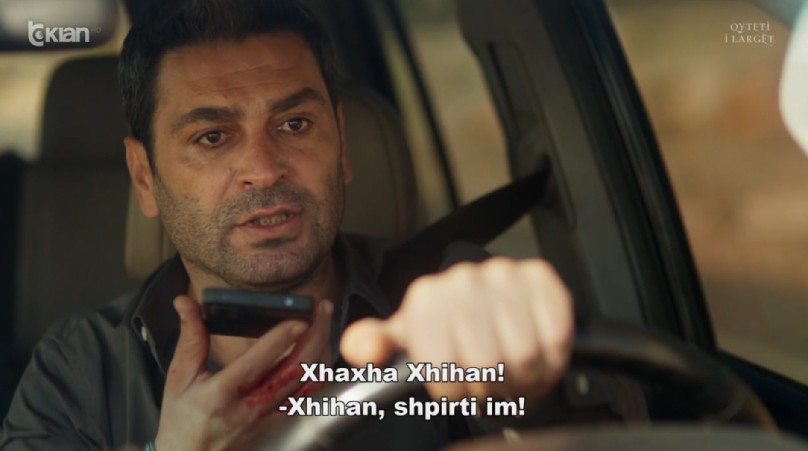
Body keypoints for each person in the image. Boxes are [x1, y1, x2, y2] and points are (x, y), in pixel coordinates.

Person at [0, 0, 573, 449]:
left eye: (295, 124)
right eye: (212, 137)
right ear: (145, 178)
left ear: (341, 145)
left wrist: (530, 395)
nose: (263, 168)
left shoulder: (450, 302)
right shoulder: (79, 370)